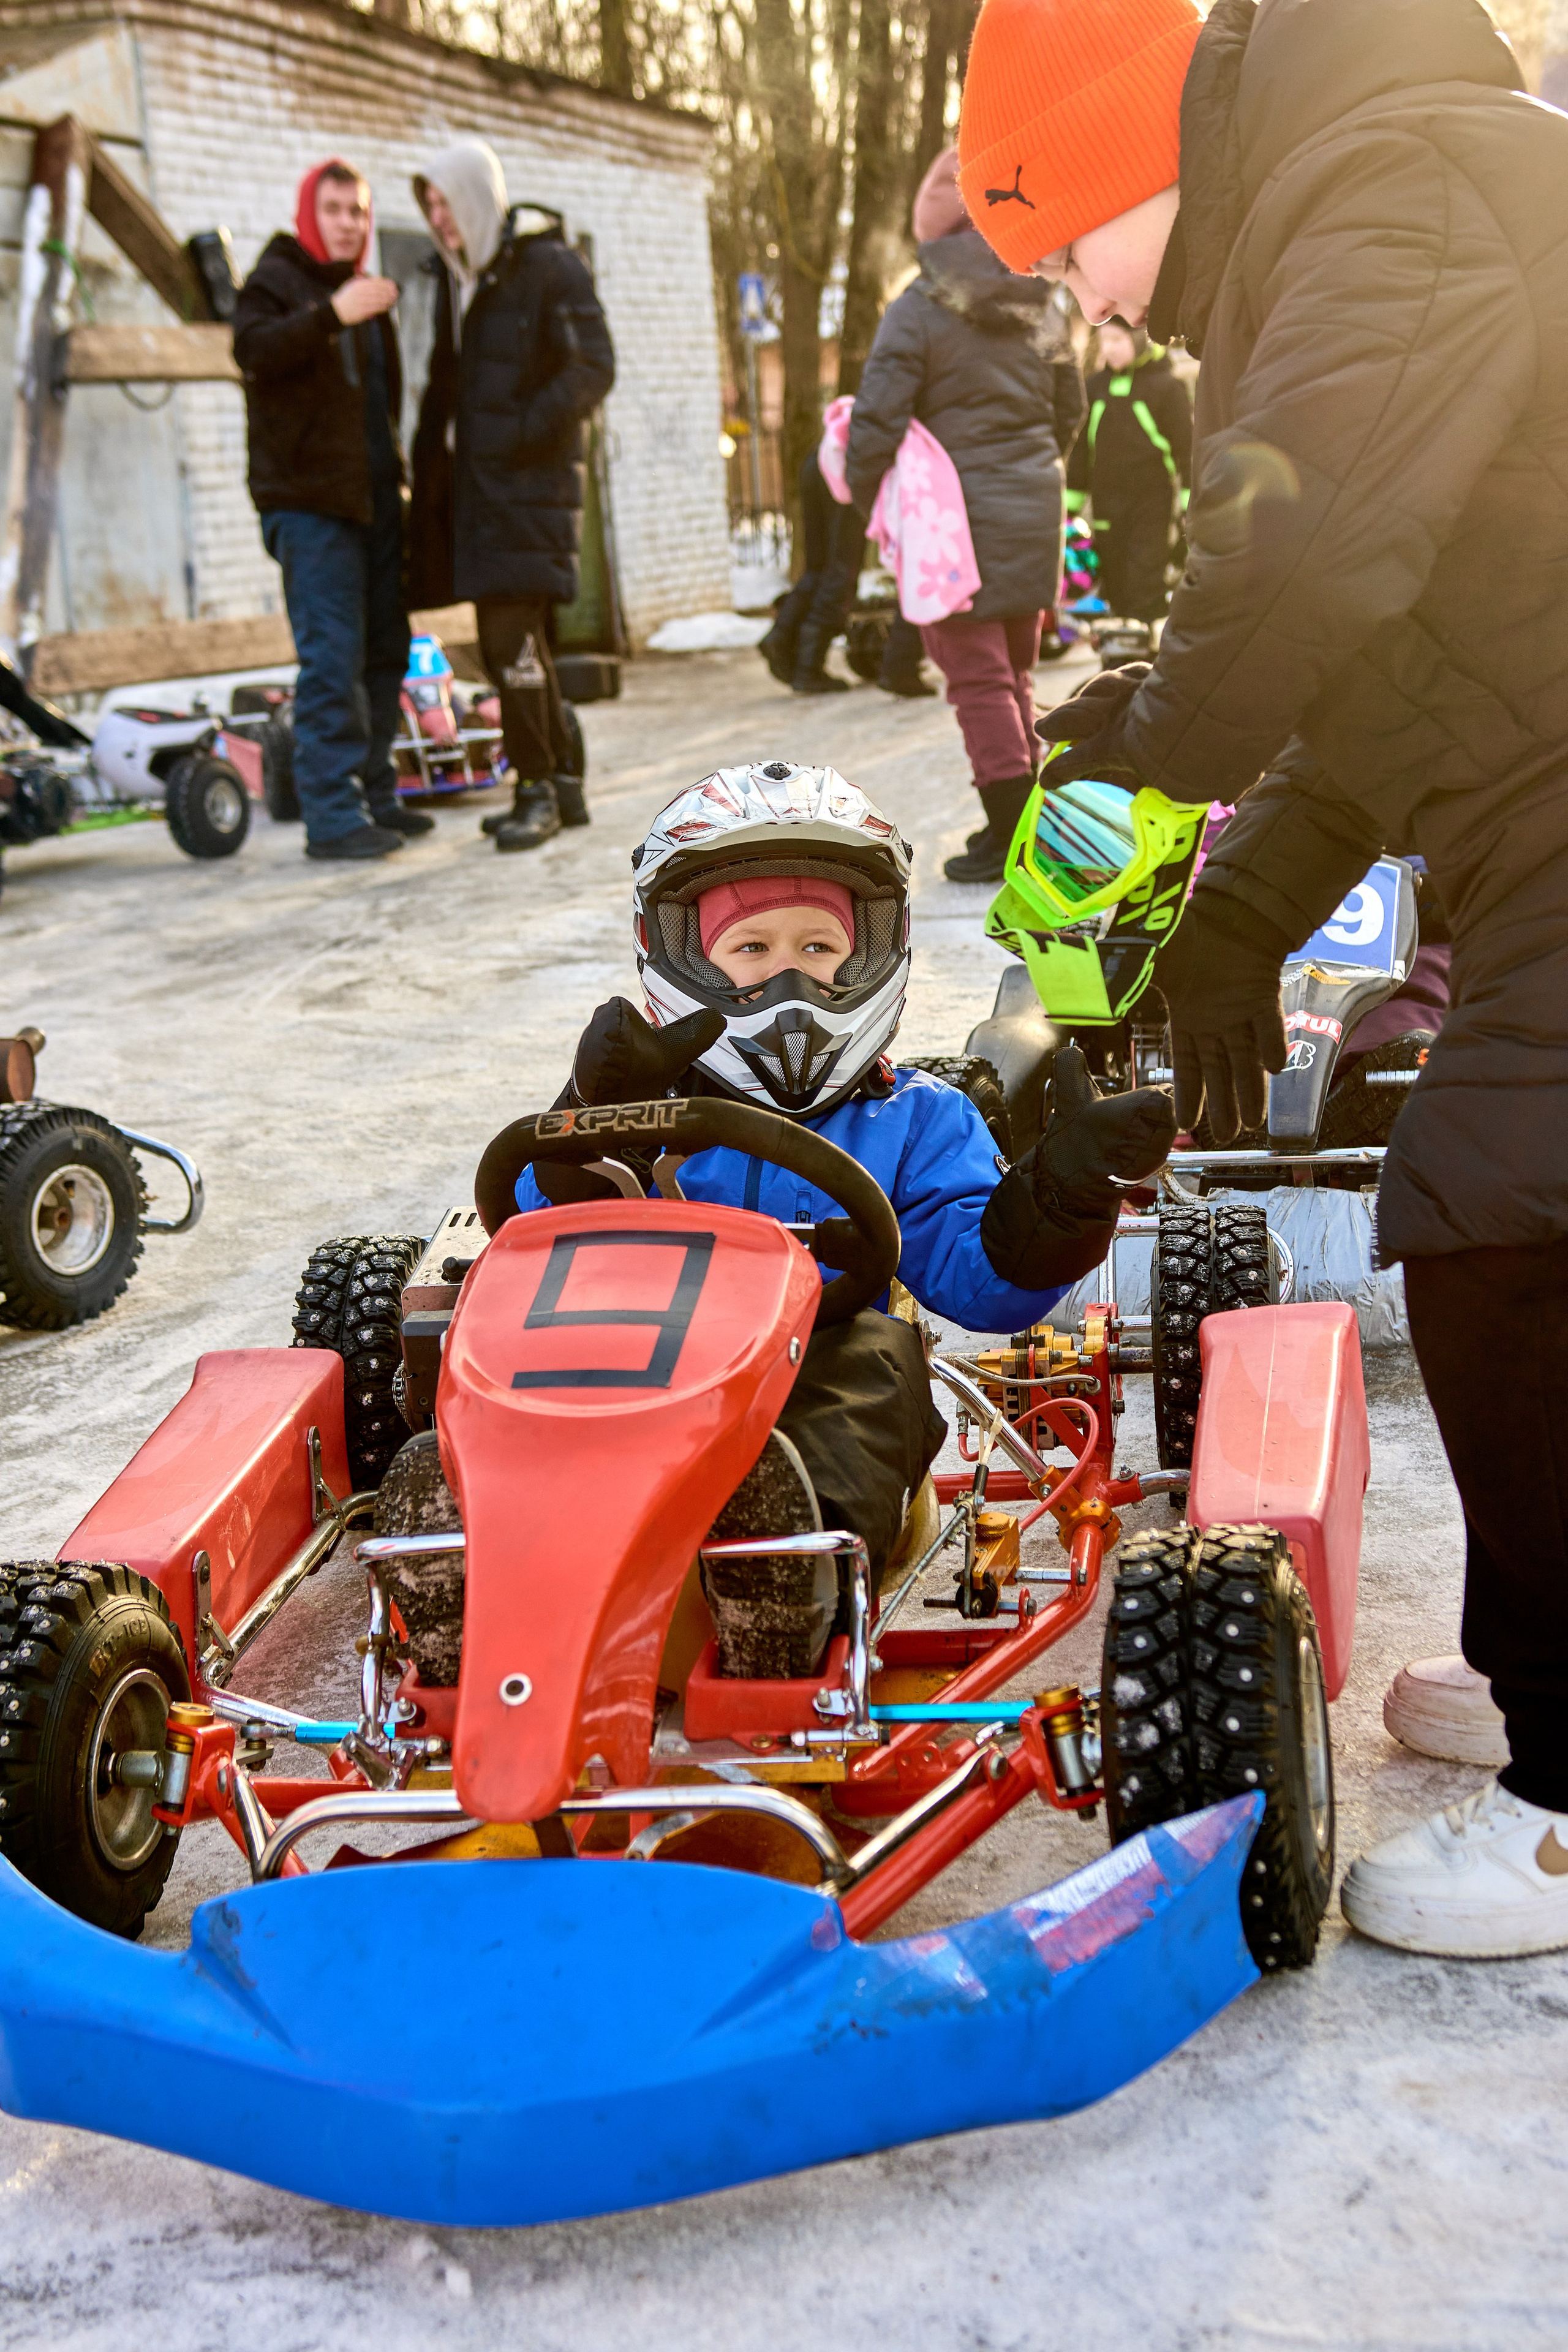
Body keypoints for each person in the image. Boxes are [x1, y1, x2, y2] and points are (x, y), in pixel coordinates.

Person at [959, 0, 1568, 1958]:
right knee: (1506, 1201)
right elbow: (1384, 668)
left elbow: (1297, 572)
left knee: (1503, 1211)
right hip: (1533, 773)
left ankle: (1567, 1802)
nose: (1082, 311)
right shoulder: (1374, 186)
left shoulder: (1390, 190)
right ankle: (1538, 1649)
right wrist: (1230, 916)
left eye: (1057, 251)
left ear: (1119, 154)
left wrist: (1143, 746)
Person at [511, 759, 1174, 1676]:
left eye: (818, 950)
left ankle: (784, 1586)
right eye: (751, 951)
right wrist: (589, 1116)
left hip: (816, 1382)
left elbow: (985, 1283)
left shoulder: (916, 1118)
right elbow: (535, 1232)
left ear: (872, 952)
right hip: (630, 1378)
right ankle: (483, 1561)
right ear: (678, 957)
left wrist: (1066, 1186)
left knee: (867, 1363)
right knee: (522, 1363)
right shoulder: (639, 1101)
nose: (790, 985)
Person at [846, 146, 1085, 888]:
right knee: (1012, 671)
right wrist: (1034, 473)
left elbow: (876, 420)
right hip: (1030, 511)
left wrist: (867, 496)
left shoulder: (917, 309)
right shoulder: (1041, 301)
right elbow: (1069, 408)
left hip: (953, 527)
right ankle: (1033, 821)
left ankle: (1015, 836)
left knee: (975, 680)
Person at [410, 139, 615, 853]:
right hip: (481, 494)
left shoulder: (545, 267)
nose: (439, 218)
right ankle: (560, 785)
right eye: (428, 205)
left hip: (529, 488)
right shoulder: (461, 280)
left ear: (475, 197)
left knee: (511, 642)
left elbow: (594, 366)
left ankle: (536, 789)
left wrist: (519, 433)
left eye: (446, 202)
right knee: (518, 646)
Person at [234, 159, 429, 861]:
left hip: (374, 502)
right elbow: (251, 350)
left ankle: (377, 796)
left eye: (359, 210)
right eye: (336, 208)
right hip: (312, 507)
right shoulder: (276, 281)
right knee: (332, 660)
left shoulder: (365, 294)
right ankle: (329, 813)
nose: (349, 222)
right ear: (307, 214)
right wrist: (328, 316)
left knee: (385, 653)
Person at [1068, 323, 1191, 623]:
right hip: (1107, 504)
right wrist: (1069, 509)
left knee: (1144, 580)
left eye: (1117, 339)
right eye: (1104, 340)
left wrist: (1190, 503)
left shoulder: (1166, 387)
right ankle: (1117, 658)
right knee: (1115, 581)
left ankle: (1148, 656)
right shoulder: (1094, 387)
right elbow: (1082, 450)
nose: (1109, 348)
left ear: (1138, 339)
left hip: (1151, 503)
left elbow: (1187, 450)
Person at [756, 450, 864, 695]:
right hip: (845, 467)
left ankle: (780, 634)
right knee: (841, 570)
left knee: (819, 566)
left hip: (820, 459)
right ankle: (809, 667)